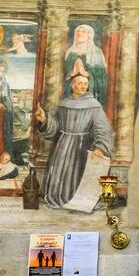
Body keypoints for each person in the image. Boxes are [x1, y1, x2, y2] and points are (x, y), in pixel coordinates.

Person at [34, 71, 113, 209]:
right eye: (80, 83)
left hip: (83, 145)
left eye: (86, 84)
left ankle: (79, 200)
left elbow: (103, 128)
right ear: (72, 85)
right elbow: (56, 127)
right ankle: (60, 197)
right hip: (63, 145)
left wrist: (100, 146)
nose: (83, 86)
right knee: (61, 173)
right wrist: (44, 119)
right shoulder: (64, 103)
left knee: (78, 173)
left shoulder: (94, 105)